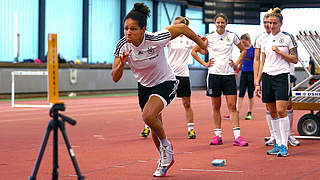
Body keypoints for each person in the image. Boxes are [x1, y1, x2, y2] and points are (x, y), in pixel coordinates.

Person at [112, 3, 207, 177]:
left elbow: (182, 28)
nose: (128, 32)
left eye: (133, 29)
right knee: (154, 125)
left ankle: (166, 147)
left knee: (148, 115)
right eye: (125, 28)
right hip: (144, 87)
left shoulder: (155, 38)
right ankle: (164, 160)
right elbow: (115, 77)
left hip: (166, 82)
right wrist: (122, 63)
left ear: (143, 29)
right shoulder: (123, 46)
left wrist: (202, 45)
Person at [191, 13, 248, 146]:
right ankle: (218, 136)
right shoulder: (209, 36)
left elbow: (243, 50)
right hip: (214, 75)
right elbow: (194, 51)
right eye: (218, 22)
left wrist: (236, 63)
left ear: (226, 23)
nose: (220, 25)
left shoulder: (232, 36)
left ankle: (237, 137)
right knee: (216, 106)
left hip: (228, 75)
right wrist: (204, 64)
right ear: (215, 23)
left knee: (232, 106)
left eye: (223, 22)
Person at [255, 7, 298, 157]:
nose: (271, 26)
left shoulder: (287, 38)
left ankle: (285, 145)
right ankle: (278, 144)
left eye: (274, 23)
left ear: (280, 24)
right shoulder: (264, 39)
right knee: (272, 111)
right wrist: (257, 82)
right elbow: (262, 62)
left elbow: (295, 59)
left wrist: (280, 52)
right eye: (269, 23)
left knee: (281, 110)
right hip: (267, 76)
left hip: (282, 76)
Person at [253, 10, 275, 146]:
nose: (267, 25)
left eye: (269, 22)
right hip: (265, 74)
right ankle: (273, 134)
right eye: (265, 22)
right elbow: (257, 60)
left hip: (281, 74)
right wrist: (257, 80)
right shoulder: (260, 39)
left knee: (283, 106)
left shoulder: (281, 37)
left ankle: (287, 134)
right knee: (269, 105)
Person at [236, 33, 255, 120]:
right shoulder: (242, 50)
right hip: (244, 73)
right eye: (242, 42)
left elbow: (256, 62)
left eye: (244, 42)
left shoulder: (253, 49)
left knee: (251, 94)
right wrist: (236, 71)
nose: (243, 44)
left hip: (252, 73)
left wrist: (257, 76)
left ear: (247, 40)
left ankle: (249, 112)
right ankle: (237, 111)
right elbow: (241, 62)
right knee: (241, 93)